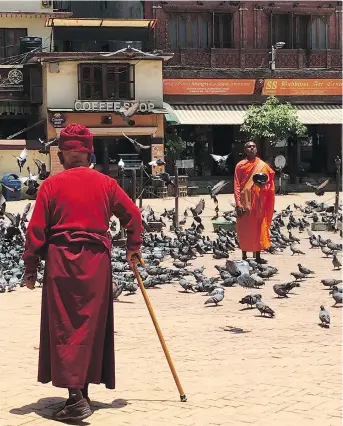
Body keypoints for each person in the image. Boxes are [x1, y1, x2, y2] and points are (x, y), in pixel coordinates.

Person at [22, 124, 143, 422]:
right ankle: (82, 391)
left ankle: (76, 399)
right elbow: (134, 216)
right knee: (90, 326)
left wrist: (30, 268)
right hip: (97, 263)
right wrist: (133, 248)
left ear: (62, 155)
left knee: (65, 326)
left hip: (61, 261)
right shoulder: (106, 184)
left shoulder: (50, 186)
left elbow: (35, 231)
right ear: (89, 154)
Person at [234, 141, 275, 264]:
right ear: (245, 150)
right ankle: (244, 256)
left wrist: (263, 187)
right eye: (249, 147)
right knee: (245, 228)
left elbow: (270, 182)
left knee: (258, 228)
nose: (252, 148)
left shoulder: (263, 165)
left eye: (253, 146)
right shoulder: (240, 166)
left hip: (258, 202)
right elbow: (236, 185)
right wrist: (238, 204)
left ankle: (257, 256)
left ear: (256, 149)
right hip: (244, 201)